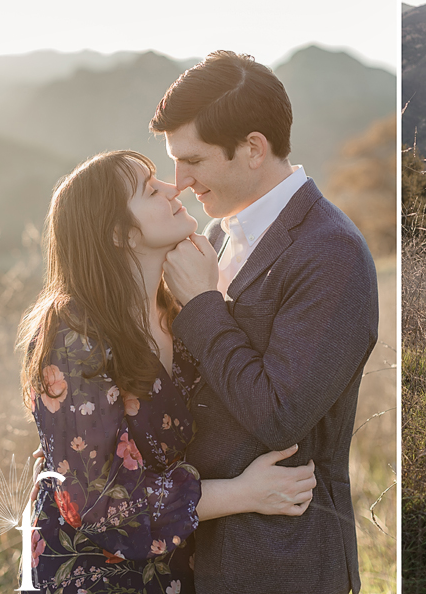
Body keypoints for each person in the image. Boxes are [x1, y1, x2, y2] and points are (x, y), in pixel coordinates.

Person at [19, 151, 317, 593]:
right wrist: (245, 493)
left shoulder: (180, 314)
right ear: (120, 233)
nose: (173, 188)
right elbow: (97, 502)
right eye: (149, 189)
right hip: (91, 575)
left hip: (176, 568)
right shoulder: (73, 331)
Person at [150, 51, 379, 594]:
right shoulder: (218, 233)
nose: (180, 181)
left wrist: (204, 305)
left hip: (280, 558)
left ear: (253, 148)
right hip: (199, 545)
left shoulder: (332, 253)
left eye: (195, 161)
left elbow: (281, 414)